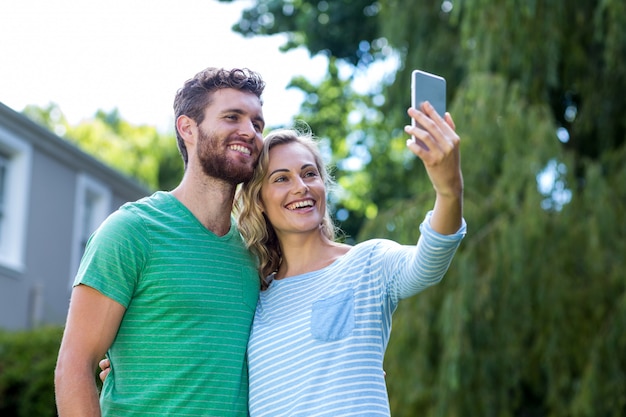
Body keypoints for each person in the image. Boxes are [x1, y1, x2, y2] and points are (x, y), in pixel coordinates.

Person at [54, 67, 267, 417]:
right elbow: (75, 365)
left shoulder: (256, 249)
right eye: (233, 117)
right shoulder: (132, 231)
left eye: (257, 124)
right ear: (188, 129)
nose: (249, 132)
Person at [236, 101, 466, 416]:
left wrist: (449, 191)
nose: (301, 187)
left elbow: (428, 264)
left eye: (309, 174)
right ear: (259, 200)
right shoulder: (256, 297)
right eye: (281, 179)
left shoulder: (367, 264)